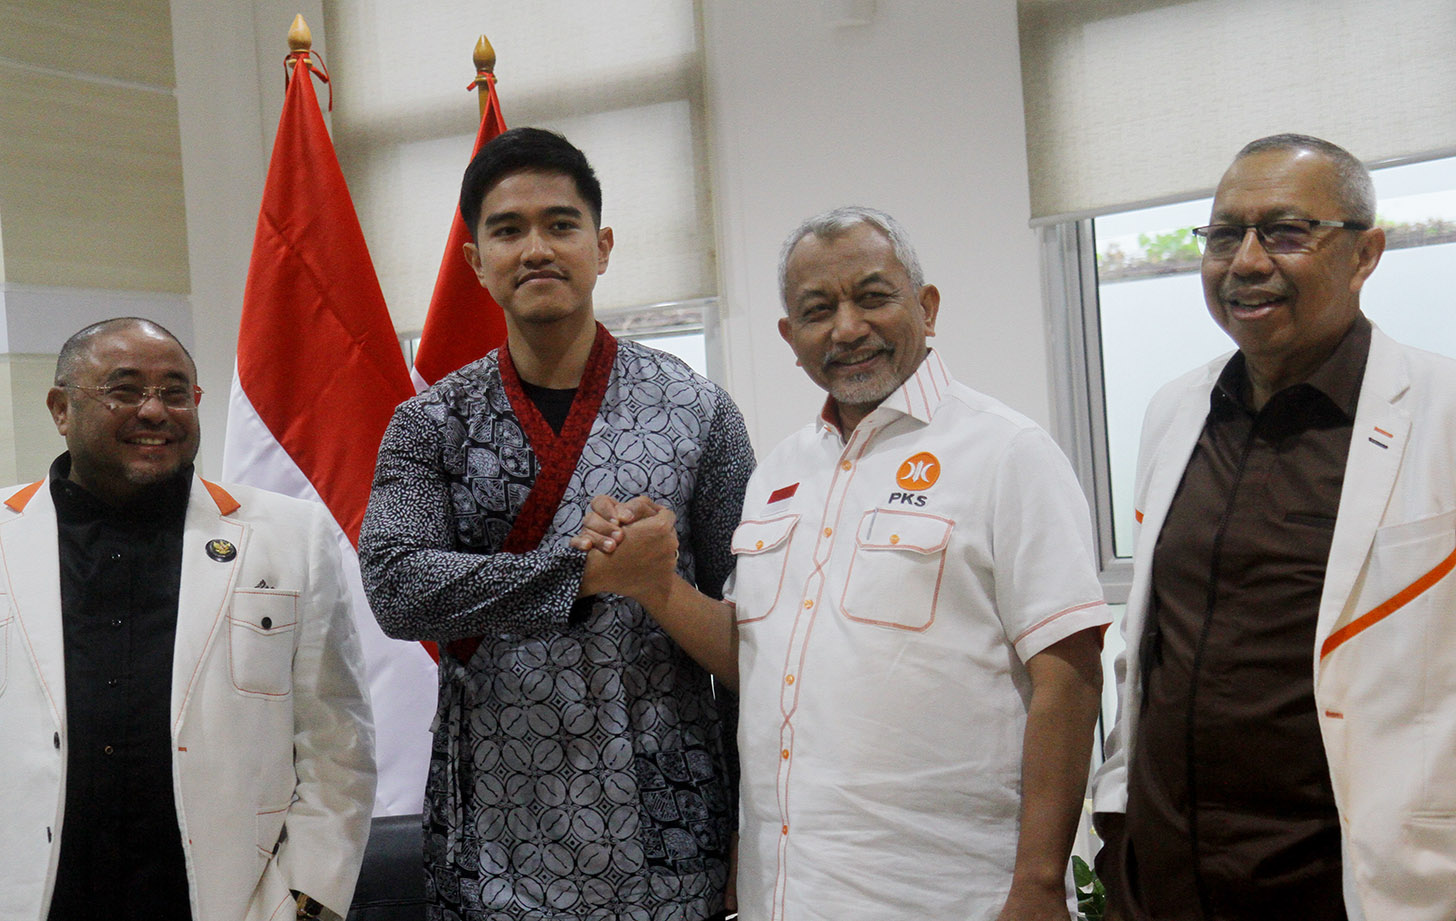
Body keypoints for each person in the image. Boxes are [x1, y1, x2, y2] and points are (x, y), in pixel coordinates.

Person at [578, 206, 1110, 920]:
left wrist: (1040, 884)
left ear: (926, 307)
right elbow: (756, 657)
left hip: (952, 897)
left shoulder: (1007, 452)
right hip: (790, 894)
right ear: (789, 337)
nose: (848, 327)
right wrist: (654, 583)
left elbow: (1068, 671)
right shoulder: (779, 473)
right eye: (817, 309)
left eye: (873, 296)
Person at [357, 127, 752, 921]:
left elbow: (756, 633)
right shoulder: (430, 422)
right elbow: (399, 587)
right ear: (475, 261)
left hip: (672, 835)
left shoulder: (697, 412)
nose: (536, 247)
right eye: (507, 229)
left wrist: (756, 829)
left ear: (602, 247)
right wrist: (591, 574)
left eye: (561, 225)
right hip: (497, 846)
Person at [1092, 134, 1456, 921]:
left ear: (1365, 255)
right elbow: (1151, 638)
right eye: (1224, 235)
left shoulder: (1441, 412)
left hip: (1345, 880)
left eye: (1287, 232)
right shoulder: (1175, 410)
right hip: (1166, 877)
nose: (1246, 262)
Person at [0, 317, 375, 921]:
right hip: (32, 893)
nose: (155, 411)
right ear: (60, 408)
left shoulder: (287, 536)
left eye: (176, 392)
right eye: (124, 390)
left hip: (225, 898)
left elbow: (337, 739)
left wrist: (309, 899)